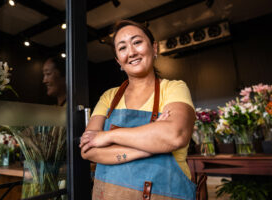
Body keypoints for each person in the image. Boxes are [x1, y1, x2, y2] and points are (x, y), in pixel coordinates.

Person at [80, 20, 196, 200]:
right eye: (122, 47)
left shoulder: (174, 88)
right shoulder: (109, 97)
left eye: (137, 42)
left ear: (154, 48)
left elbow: (175, 135)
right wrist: (151, 147)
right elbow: (88, 150)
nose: (132, 52)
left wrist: (108, 136)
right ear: (118, 60)